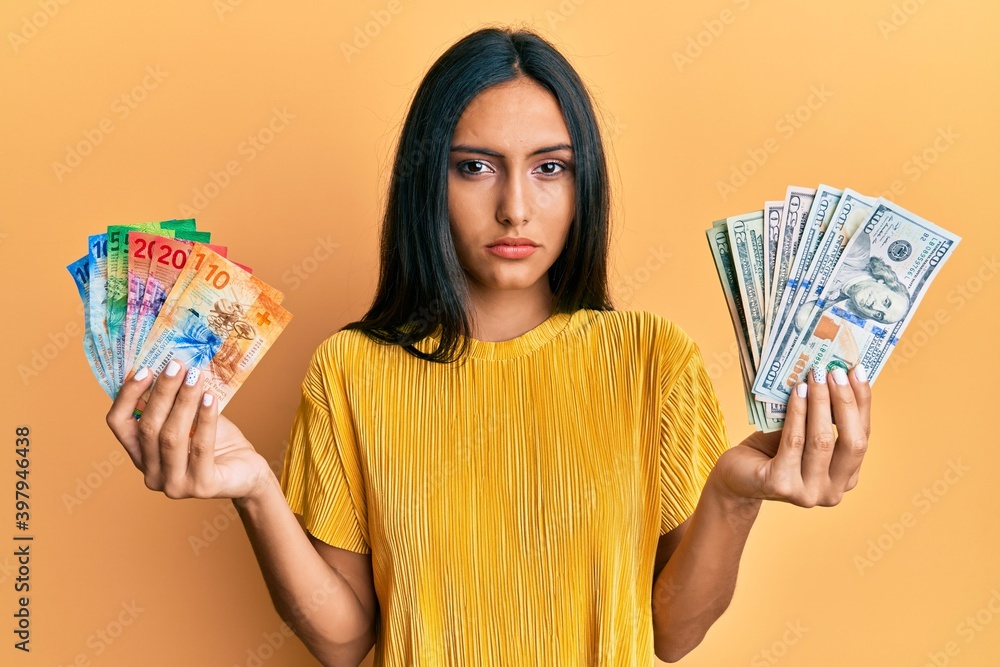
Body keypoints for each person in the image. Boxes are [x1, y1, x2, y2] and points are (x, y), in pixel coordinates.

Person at [105, 26, 872, 666]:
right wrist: (254, 492)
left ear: (584, 187)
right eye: (474, 167)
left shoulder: (652, 359)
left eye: (550, 169)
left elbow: (671, 632)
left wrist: (733, 497)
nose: (514, 207)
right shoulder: (350, 370)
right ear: (425, 181)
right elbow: (344, 640)